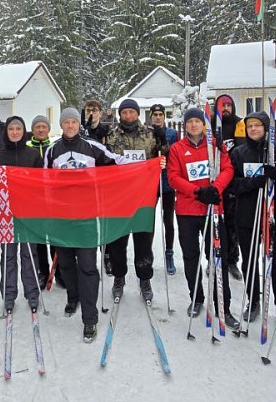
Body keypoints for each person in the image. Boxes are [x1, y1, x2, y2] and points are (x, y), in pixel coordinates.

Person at [44, 107, 124, 343]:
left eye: (73, 122)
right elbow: (42, 181)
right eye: (66, 122)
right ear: (61, 125)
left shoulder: (91, 146)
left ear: (79, 124)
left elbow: (118, 162)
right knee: (66, 264)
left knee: (87, 266)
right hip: (62, 217)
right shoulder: (52, 150)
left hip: (88, 216)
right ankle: (73, 296)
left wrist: (149, 166)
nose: (70, 126)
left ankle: (90, 319)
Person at [166, 107, 239, 330]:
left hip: (213, 210)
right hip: (188, 210)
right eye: (190, 122)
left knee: (218, 258)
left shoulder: (216, 146)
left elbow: (228, 169)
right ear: (185, 125)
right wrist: (197, 192)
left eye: (197, 121)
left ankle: (223, 306)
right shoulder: (178, 148)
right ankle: (196, 298)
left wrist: (215, 189)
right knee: (191, 257)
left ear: (203, 124)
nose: (194, 125)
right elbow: (173, 177)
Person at [228, 111, 276, 332]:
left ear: (266, 128)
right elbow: (232, 185)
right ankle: (253, 301)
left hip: (275, 216)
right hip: (247, 215)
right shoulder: (238, 153)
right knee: (250, 261)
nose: (253, 129)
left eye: (257, 125)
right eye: (250, 126)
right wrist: (253, 182)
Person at [104, 98, 166, 302]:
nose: (128, 116)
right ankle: (119, 277)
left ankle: (144, 278)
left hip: (143, 196)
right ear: (120, 115)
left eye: (131, 112)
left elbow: (163, 157)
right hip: (119, 197)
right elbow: (104, 160)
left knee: (143, 240)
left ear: (137, 114)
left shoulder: (149, 134)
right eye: (124, 113)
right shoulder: (111, 136)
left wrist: (163, 145)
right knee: (117, 240)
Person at [0, 117, 43, 313]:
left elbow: (40, 183)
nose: (14, 132)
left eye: (18, 128)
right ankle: (8, 293)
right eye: (11, 128)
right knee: (9, 255)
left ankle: (32, 292)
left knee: (29, 253)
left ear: (23, 131)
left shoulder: (32, 155)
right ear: (6, 132)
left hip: (29, 211)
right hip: (5, 212)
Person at [27, 115, 61, 288]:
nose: (40, 129)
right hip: (34, 200)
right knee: (39, 239)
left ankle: (60, 271)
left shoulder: (55, 147)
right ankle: (42, 272)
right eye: (37, 127)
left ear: (48, 129)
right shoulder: (26, 147)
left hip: (54, 199)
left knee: (56, 237)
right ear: (33, 130)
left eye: (44, 127)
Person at [216, 94, 246, 281]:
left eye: (228, 105)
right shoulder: (210, 123)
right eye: (222, 105)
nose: (225, 108)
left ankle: (232, 259)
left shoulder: (239, 123)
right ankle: (215, 257)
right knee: (215, 222)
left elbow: (241, 149)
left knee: (232, 222)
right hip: (214, 179)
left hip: (233, 180)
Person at [149, 104, 178, 275]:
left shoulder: (172, 133)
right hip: (151, 183)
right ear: (151, 116)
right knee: (148, 220)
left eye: (161, 114)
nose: (158, 117)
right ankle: (148, 254)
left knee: (168, 219)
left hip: (167, 182)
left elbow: (174, 155)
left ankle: (169, 253)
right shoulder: (146, 132)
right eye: (155, 114)